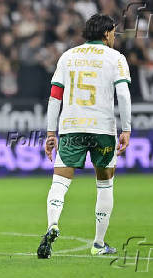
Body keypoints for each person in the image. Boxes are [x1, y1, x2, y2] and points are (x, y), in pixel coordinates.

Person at [37, 14, 132, 259]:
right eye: (113, 32)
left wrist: (50, 132)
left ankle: (52, 225)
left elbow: (54, 97)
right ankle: (98, 244)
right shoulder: (116, 58)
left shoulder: (67, 57)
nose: (114, 36)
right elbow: (123, 94)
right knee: (105, 183)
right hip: (102, 128)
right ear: (105, 33)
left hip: (71, 126)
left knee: (59, 182)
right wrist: (127, 128)